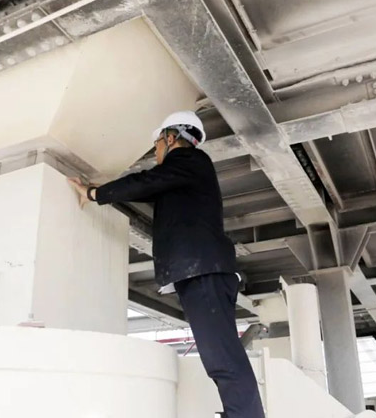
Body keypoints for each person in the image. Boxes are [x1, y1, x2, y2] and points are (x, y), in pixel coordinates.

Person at [68, 111, 265, 418]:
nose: (156, 150)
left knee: (222, 359)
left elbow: (148, 181)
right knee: (221, 356)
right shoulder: (186, 174)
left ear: (172, 138)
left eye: (158, 142)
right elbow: (150, 188)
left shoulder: (190, 160)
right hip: (202, 273)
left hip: (203, 272)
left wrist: (95, 194)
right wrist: (106, 191)